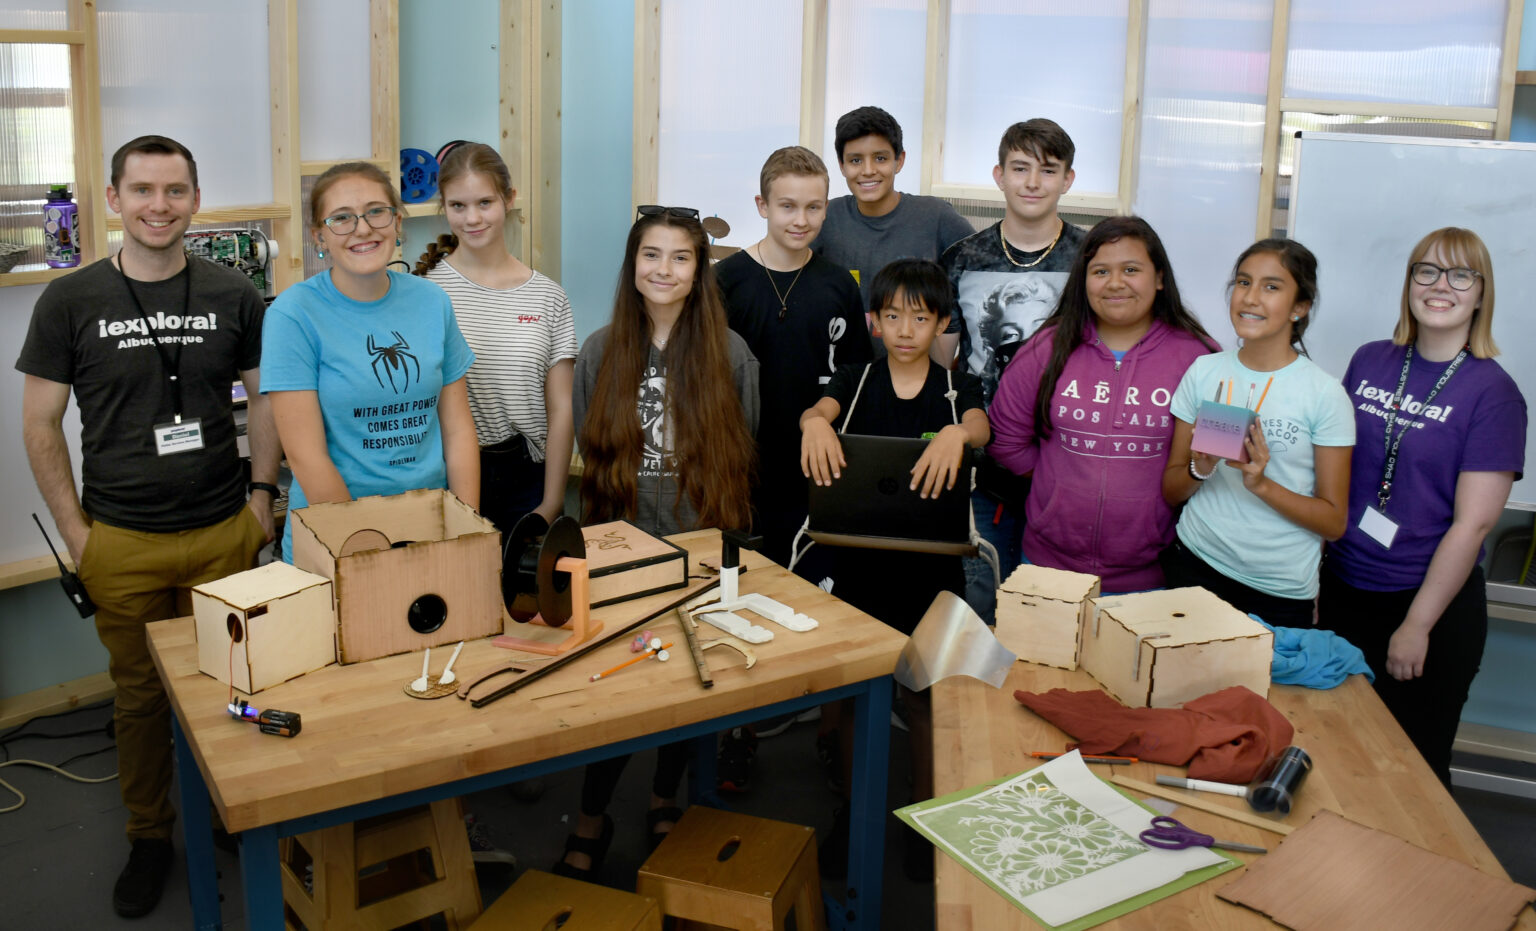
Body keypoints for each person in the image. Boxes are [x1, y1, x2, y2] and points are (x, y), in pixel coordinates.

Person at [17, 134, 278, 918]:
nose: (158, 206)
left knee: (231, 681)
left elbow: (266, 400)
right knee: (138, 698)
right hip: (120, 540)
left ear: (195, 199)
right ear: (113, 199)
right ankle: (150, 833)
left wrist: (262, 499)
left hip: (223, 528)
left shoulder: (234, 292)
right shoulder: (70, 300)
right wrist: (77, 535)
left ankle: (233, 807)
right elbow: (39, 423)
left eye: (174, 191)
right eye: (141, 190)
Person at [560, 205, 758, 879]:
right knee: (616, 690)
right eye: (652, 254)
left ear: (699, 270)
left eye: (681, 257)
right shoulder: (599, 351)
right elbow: (588, 449)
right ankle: (591, 815)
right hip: (622, 547)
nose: (664, 269)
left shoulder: (732, 354)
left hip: (699, 546)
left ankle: (663, 797)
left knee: (685, 681)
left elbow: (744, 447)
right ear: (633, 264)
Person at [800, 257, 988, 880]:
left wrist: (958, 436)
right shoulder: (854, 380)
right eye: (893, 316)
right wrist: (812, 424)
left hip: (932, 573)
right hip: (858, 568)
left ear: (942, 323)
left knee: (926, 699)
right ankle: (855, 814)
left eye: (921, 317)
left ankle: (925, 821)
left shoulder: (958, 390)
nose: (906, 330)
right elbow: (817, 411)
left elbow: (981, 427)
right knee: (859, 699)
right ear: (874, 321)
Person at [1317, 228, 1525, 787]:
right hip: (1342, 590)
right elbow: (1334, 474)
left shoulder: (1493, 393)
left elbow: (1473, 524)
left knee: (1410, 776)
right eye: (1426, 271)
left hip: (1425, 606)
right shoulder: (1370, 361)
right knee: (1334, 757)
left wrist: (1417, 625)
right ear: (1409, 282)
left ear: (1480, 294)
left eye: (1461, 275)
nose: (1440, 286)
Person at [262, 161, 479, 562]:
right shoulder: (294, 314)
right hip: (335, 539)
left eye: (376, 212)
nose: (362, 229)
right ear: (319, 236)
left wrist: (466, 528)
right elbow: (306, 456)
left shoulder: (432, 301)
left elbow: (458, 431)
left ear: (397, 222)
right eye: (342, 218)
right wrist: (368, 552)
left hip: (430, 529)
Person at [988, 216, 1217, 592]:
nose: (1115, 283)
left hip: (1150, 578)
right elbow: (1006, 439)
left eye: (1131, 270)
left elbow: (1211, 461)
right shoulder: (1047, 347)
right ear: (1083, 280)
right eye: (1100, 271)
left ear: (1159, 278)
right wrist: (1057, 484)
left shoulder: (1199, 357)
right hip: (1047, 568)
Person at [1161, 239, 1354, 626]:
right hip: (1194, 565)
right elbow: (1171, 490)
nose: (1250, 298)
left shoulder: (1324, 394)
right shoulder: (1205, 372)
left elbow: (1333, 523)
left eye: (1271, 286)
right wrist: (1201, 468)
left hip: (1277, 592)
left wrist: (1261, 484)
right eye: (1243, 282)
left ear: (1300, 307)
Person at [940, 118, 1085, 622]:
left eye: (1048, 170)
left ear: (1067, 179)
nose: (1032, 182)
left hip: (1068, 460)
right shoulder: (962, 258)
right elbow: (943, 366)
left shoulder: (1092, 259)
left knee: (1052, 612)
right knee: (980, 599)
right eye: (1020, 168)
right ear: (999, 175)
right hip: (984, 470)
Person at [716, 144, 871, 568]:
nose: (801, 220)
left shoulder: (839, 285)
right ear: (762, 205)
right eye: (788, 206)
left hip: (814, 467)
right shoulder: (724, 281)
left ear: (826, 209)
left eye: (813, 207)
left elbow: (855, 374)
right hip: (738, 468)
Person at [415, 141, 576, 531]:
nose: (472, 218)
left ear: (509, 199)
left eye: (484, 203)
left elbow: (562, 410)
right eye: (458, 205)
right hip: (443, 478)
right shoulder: (424, 294)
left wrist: (551, 503)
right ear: (443, 206)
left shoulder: (548, 296)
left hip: (527, 482)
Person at [811, 105, 973, 359]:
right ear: (841, 165)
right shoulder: (825, 217)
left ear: (900, 160)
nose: (868, 170)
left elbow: (981, 271)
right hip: (844, 373)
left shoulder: (936, 216)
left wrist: (956, 367)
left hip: (915, 374)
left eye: (880, 158)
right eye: (855, 160)